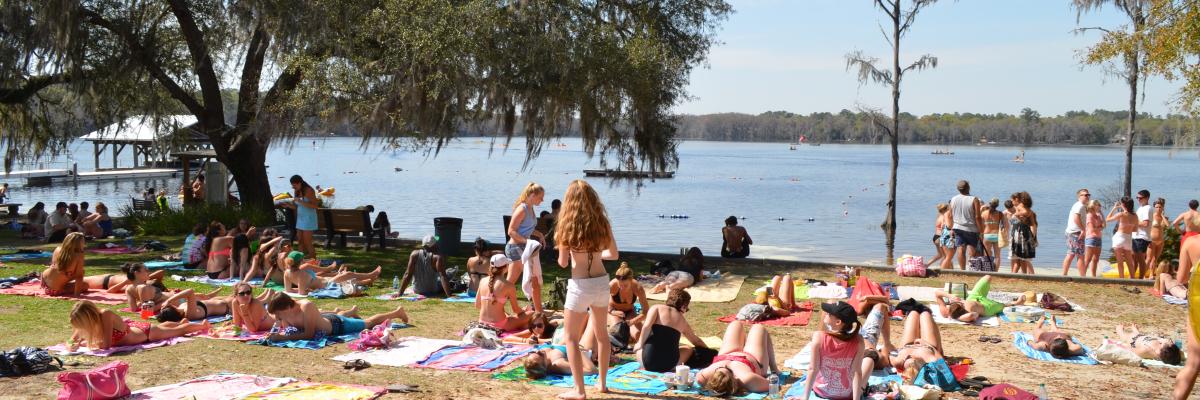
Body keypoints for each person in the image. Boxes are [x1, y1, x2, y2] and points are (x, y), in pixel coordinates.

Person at [553, 179, 617, 399]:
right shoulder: (602, 224)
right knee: (602, 334)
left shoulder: (567, 227)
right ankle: (602, 383)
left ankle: (579, 390)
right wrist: (599, 255)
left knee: (571, 337)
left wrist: (572, 256)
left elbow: (562, 263)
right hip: (601, 281)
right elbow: (613, 255)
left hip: (580, 285)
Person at [67, 301, 208, 351]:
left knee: (178, 331)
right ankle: (180, 323)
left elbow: (106, 345)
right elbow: (72, 338)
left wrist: (83, 344)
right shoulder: (92, 320)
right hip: (135, 328)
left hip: (145, 333)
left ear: (87, 318)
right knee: (164, 326)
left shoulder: (105, 315)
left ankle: (201, 326)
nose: (81, 328)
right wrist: (70, 344)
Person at [264, 293, 408, 341]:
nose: (277, 317)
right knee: (333, 315)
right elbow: (290, 332)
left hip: (337, 326)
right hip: (326, 320)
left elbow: (308, 334)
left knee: (368, 323)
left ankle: (397, 312)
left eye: (279, 314)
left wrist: (282, 337)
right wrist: (276, 334)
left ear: (288, 307)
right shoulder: (283, 313)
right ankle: (350, 312)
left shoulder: (306, 306)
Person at [633, 289, 711, 372]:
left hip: (647, 362)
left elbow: (646, 326)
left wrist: (640, 343)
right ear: (683, 306)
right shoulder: (683, 321)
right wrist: (709, 351)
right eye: (686, 308)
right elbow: (696, 341)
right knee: (688, 348)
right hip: (669, 365)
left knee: (640, 348)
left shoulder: (656, 308)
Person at [798, 301, 863, 400]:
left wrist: (804, 397)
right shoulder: (858, 340)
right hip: (845, 395)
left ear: (838, 322)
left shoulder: (819, 337)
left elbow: (813, 369)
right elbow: (856, 372)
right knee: (869, 359)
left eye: (829, 314)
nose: (826, 314)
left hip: (822, 393)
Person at [698, 320, 781, 398]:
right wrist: (769, 376)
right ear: (735, 378)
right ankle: (774, 368)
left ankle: (744, 343)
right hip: (752, 358)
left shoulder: (703, 377)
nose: (724, 366)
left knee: (735, 323)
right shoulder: (747, 379)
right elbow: (773, 385)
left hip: (727, 354)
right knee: (758, 328)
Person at [506, 182, 546, 307]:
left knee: (513, 282)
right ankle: (538, 311)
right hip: (515, 248)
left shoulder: (530, 208)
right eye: (540, 197)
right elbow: (511, 231)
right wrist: (527, 241)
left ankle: (538, 310)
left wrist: (539, 234)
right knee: (531, 279)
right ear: (533, 195)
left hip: (524, 248)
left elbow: (526, 228)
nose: (542, 200)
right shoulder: (522, 209)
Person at [474, 254, 530, 332]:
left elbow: (477, 305)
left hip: (482, 322)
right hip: (499, 325)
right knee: (532, 314)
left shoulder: (483, 281)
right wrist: (524, 311)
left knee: (519, 318)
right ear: (506, 267)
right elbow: (516, 310)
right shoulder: (509, 286)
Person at [282, 252, 381, 296]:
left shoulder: (287, 273)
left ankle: (368, 280)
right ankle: (370, 275)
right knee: (348, 274)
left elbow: (288, 290)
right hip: (326, 285)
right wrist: (308, 290)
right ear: (300, 261)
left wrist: (303, 289)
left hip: (324, 282)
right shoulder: (301, 273)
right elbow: (302, 293)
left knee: (349, 280)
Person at [933, 275, 1003, 323]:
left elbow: (937, 293)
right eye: (961, 304)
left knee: (987, 277)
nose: (962, 302)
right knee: (1004, 306)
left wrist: (950, 296)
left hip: (973, 297)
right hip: (986, 307)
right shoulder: (967, 314)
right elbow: (972, 315)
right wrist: (957, 318)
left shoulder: (945, 311)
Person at [949, 180, 983, 270]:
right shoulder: (974, 199)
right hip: (971, 228)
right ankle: (972, 270)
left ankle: (962, 270)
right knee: (972, 249)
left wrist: (951, 228)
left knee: (960, 249)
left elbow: (950, 215)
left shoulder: (953, 199)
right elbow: (978, 217)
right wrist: (981, 230)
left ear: (958, 189)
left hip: (957, 227)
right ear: (968, 187)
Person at [1115, 323, 1182, 365]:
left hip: (1133, 340)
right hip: (1143, 338)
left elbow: (1131, 351)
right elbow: (1178, 354)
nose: (1171, 341)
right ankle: (1137, 332)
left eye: (1170, 343)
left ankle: (1120, 332)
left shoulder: (1146, 350)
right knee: (1145, 337)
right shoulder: (1161, 347)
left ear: (1163, 348)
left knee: (1126, 337)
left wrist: (1122, 342)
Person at [609, 263, 649, 331]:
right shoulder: (612, 285)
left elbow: (646, 312)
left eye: (625, 285)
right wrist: (611, 311)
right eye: (620, 285)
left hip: (630, 311)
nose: (622, 288)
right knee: (619, 332)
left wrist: (632, 322)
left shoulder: (638, 288)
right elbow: (599, 303)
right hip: (614, 311)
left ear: (631, 280)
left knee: (638, 334)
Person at [285, 175, 318, 257]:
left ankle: (314, 260)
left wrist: (300, 201)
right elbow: (297, 206)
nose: (293, 187)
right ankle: (300, 260)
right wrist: (288, 206)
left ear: (300, 183)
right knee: (300, 240)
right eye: (292, 186)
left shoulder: (309, 190)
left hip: (309, 219)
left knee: (307, 242)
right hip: (300, 219)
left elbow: (315, 206)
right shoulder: (297, 191)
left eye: (294, 185)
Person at [156, 288, 232, 322]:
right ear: (173, 309)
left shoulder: (181, 307)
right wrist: (169, 300)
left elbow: (191, 296)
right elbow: (190, 291)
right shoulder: (190, 314)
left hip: (217, 300)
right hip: (227, 305)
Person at [1108, 196, 1139, 279]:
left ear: (1123, 204)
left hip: (1119, 237)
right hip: (1128, 238)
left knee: (1120, 261)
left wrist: (1114, 208)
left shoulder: (1121, 214)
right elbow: (1135, 229)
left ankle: (1121, 278)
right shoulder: (1135, 216)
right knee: (1129, 261)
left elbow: (1107, 219)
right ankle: (1132, 278)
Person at [1062, 189, 1089, 276]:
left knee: (1072, 254)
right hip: (1075, 233)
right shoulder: (1080, 206)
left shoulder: (1081, 205)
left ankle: (1064, 274)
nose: (1087, 196)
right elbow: (1076, 218)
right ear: (1079, 197)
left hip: (1073, 232)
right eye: (1085, 195)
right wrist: (1083, 230)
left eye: (1088, 195)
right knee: (1079, 255)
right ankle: (1083, 277)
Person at [1009, 191, 1038, 274]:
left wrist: (1016, 215)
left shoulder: (1020, 206)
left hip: (1019, 233)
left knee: (1018, 258)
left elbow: (1024, 213)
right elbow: (1033, 225)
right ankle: (1022, 275)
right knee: (1022, 258)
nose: (1011, 202)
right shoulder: (1030, 211)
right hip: (1025, 233)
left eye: (1012, 200)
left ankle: (1014, 276)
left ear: (1018, 199)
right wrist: (1033, 236)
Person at [1133, 189, 1153, 279]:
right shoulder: (1140, 208)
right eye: (1137, 197)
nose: (1138, 199)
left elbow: (1145, 223)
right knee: (1135, 259)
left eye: (1141, 198)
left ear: (1147, 198)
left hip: (1142, 237)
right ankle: (1132, 277)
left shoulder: (1147, 208)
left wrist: (1133, 222)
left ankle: (1141, 279)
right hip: (1136, 236)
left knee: (1141, 259)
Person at [1148, 198, 1170, 278]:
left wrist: (1162, 216)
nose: (1158, 209)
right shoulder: (1151, 216)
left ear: (1163, 207)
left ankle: (1152, 273)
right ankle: (1146, 274)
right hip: (1152, 240)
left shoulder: (1164, 218)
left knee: (1156, 259)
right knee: (1150, 258)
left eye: (1160, 207)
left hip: (1160, 241)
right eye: (1156, 207)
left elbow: (1167, 225)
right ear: (1154, 207)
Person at [1083, 200, 1106, 277]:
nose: (1099, 206)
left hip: (1098, 238)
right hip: (1091, 238)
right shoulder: (1089, 215)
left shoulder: (1098, 215)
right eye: (1098, 205)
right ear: (1093, 206)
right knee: (1088, 259)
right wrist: (1099, 227)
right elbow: (1092, 229)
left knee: (1096, 259)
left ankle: (1093, 276)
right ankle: (1082, 276)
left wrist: (1102, 214)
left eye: (1099, 205)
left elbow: (1104, 225)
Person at [927, 203, 953, 269]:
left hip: (935, 237)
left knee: (941, 255)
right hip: (940, 237)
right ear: (946, 209)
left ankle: (927, 264)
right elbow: (943, 227)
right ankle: (944, 269)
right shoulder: (944, 217)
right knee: (946, 256)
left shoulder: (939, 216)